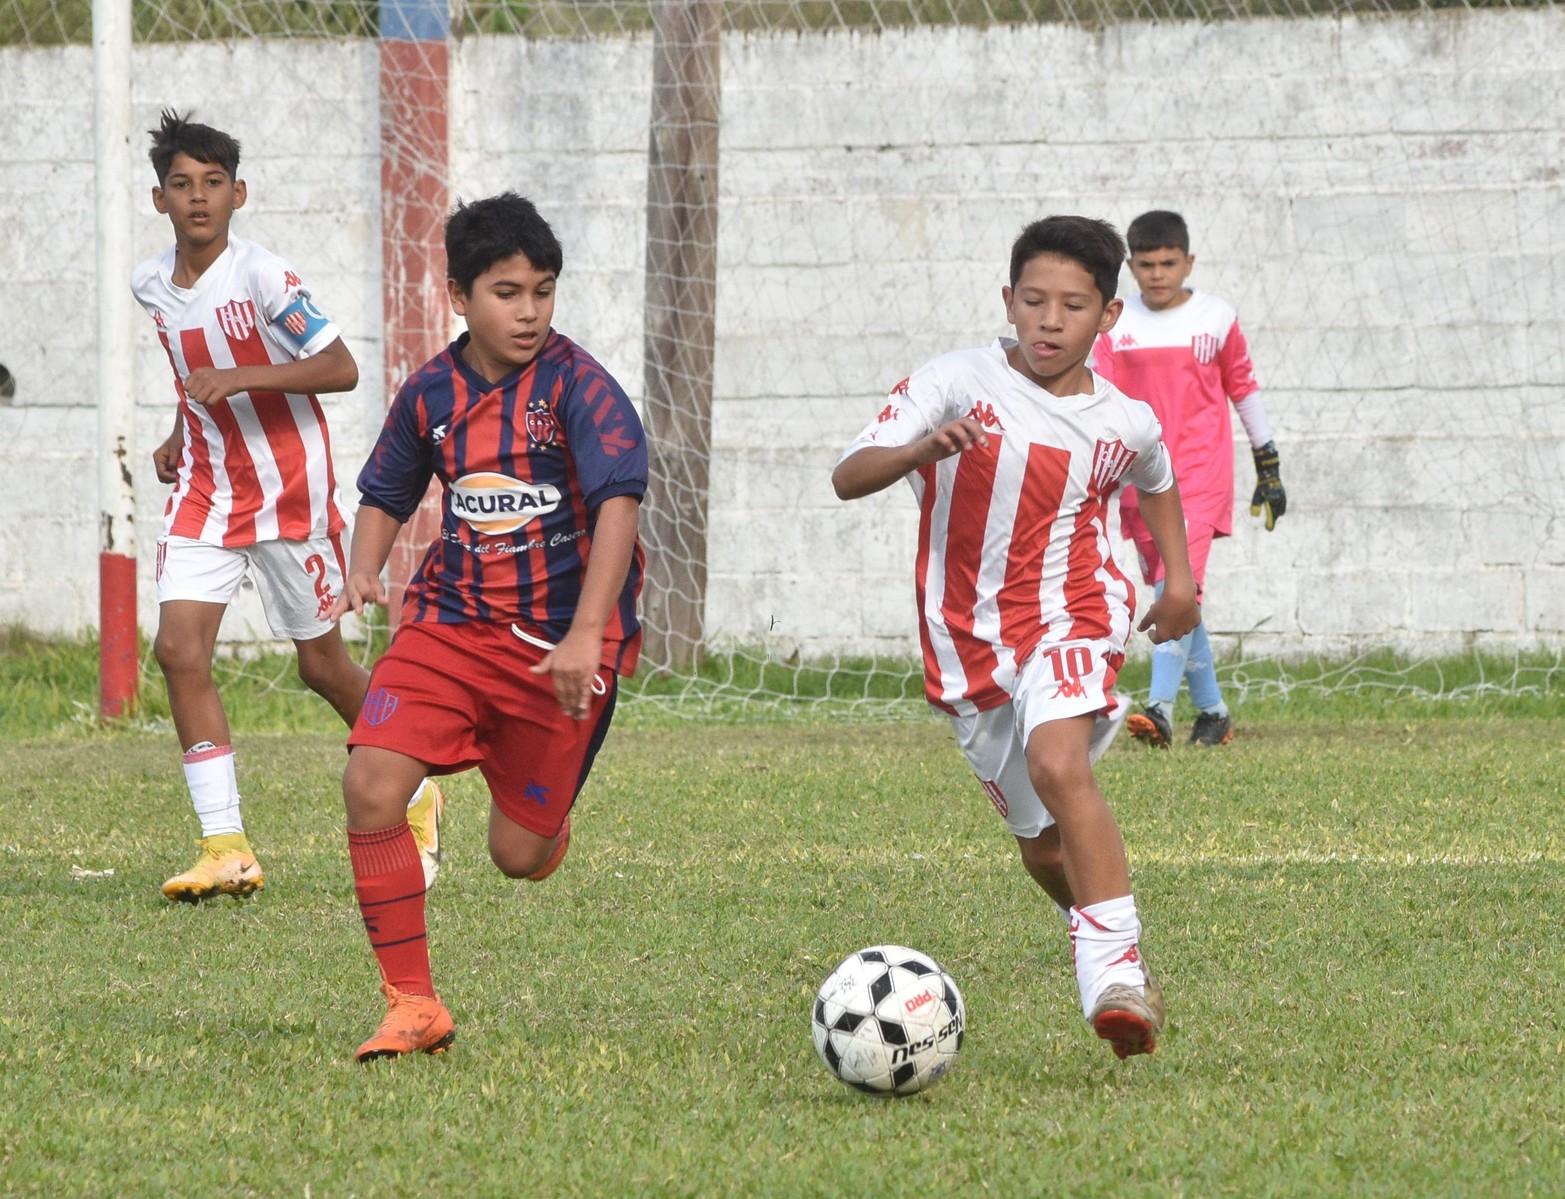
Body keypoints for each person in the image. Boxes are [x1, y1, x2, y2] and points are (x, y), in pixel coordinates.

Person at [832, 216, 1200, 1060]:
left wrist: (1176, 580)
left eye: (1071, 305)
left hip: (1078, 610)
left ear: (1107, 318)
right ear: (1007, 300)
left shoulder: (1122, 420)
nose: (1048, 319)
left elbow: (1159, 480)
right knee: (1040, 849)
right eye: (1033, 299)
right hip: (967, 644)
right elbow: (848, 474)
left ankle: (1109, 976)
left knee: (1058, 761)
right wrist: (921, 448)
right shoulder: (956, 381)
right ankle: (1123, 954)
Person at [329, 192, 647, 1062]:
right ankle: (413, 1003)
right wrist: (366, 564)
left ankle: (540, 811)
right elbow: (387, 490)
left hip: (561, 648)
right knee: (370, 784)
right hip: (451, 623)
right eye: (508, 291)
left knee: (518, 855)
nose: (530, 311)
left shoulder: (580, 387)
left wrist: (588, 633)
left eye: (543, 290)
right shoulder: (432, 392)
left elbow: (619, 505)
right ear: (458, 295)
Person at [133, 110, 442, 903]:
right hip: (206, 489)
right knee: (178, 650)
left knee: (322, 664)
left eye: (212, 184)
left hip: (288, 495)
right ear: (159, 199)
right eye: (181, 184)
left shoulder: (264, 276)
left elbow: (338, 368)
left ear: (238, 194)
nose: (198, 198)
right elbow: (189, 366)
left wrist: (241, 379)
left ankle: (416, 789)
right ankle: (225, 845)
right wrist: (178, 430)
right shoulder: (150, 287)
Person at [1091, 209, 1286, 749]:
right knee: (1177, 595)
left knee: (1178, 588)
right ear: (1131, 266)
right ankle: (1214, 713)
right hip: (1138, 480)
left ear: (1188, 262)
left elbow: (1242, 387)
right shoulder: (1114, 322)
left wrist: (1266, 460)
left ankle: (1159, 708)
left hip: (1199, 478)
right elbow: (1098, 396)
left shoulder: (1216, 319)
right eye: (1147, 265)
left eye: (1168, 263)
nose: (1157, 274)